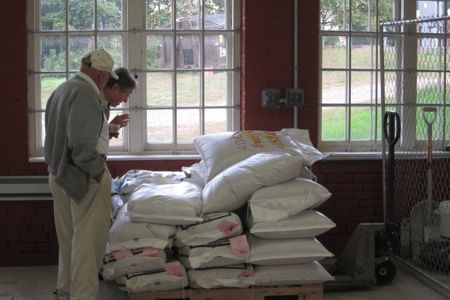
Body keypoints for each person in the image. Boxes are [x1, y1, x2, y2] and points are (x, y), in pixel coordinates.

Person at [44, 48, 118, 300]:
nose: (107, 83)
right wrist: (98, 171)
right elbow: (81, 145)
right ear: (100, 75)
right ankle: (83, 296)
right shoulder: (87, 94)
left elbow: (57, 135)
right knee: (88, 243)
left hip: (58, 174)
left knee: (68, 239)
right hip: (83, 177)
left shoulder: (61, 89)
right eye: (107, 78)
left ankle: (65, 289)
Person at [100, 67, 137, 140]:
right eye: (127, 95)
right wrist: (107, 129)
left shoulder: (106, 103)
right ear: (115, 87)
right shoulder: (92, 102)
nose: (126, 100)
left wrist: (108, 130)